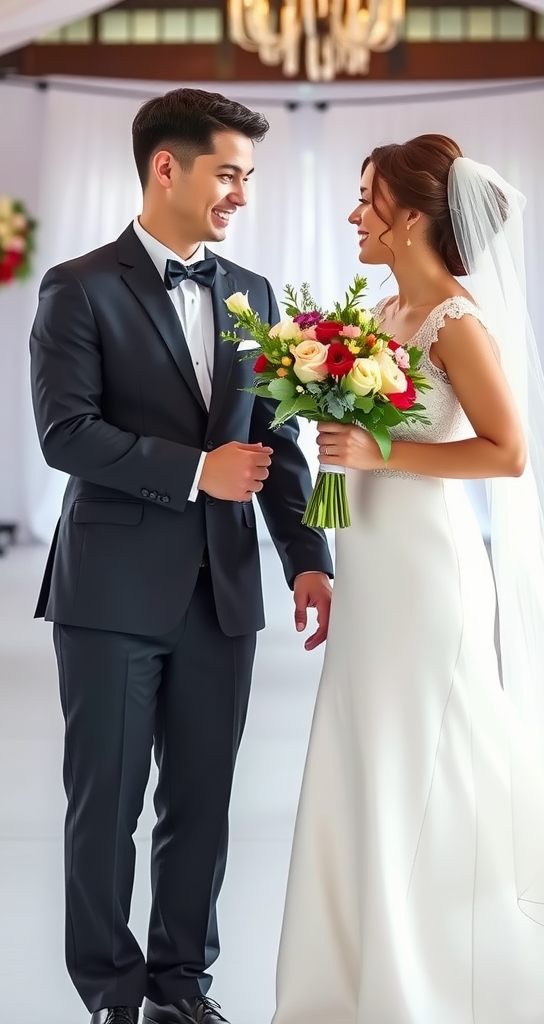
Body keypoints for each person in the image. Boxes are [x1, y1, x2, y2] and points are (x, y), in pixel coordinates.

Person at [29, 88, 333, 1024]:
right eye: (229, 172)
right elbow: (65, 435)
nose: (242, 191)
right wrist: (198, 470)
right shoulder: (78, 286)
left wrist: (307, 558)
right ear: (169, 166)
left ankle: (180, 991)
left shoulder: (253, 293)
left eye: (248, 175)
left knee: (201, 810)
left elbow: (277, 446)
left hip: (223, 598)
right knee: (106, 809)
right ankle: (112, 996)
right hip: (110, 595)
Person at [271, 134, 544, 1024]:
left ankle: (442, 974)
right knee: (365, 757)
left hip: (428, 579)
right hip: (371, 572)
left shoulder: (457, 322)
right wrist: (323, 546)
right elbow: (351, 453)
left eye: (367, 197)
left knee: (427, 759)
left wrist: (382, 449)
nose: (354, 213)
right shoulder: (381, 312)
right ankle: (356, 973)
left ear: (411, 216)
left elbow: (508, 452)